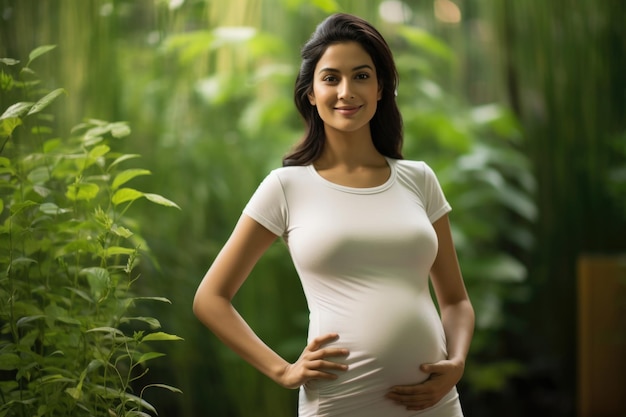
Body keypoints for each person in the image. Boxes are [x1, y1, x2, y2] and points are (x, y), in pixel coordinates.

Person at [193, 12, 475, 417]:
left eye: (361, 76)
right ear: (310, 92)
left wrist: (457, 364)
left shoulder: (419, 179)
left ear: (381, 88)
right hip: (340, 402)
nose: (347, 91)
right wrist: (283, 371)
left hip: (434, 402)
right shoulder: (286, 187)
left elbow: (456, 301)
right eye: (331, 78)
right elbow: (210, 299)